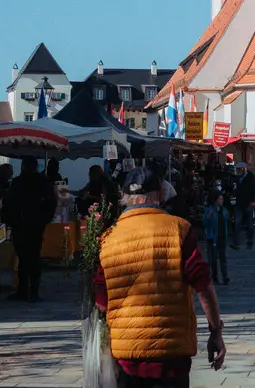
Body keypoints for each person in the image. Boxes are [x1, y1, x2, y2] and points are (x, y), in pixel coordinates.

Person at [94, 166, 227, 387]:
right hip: (172, 356)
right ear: (159, 194)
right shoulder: (179, 229)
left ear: (124, 197)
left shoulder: (108, 238)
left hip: (128, 355)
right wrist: (215, 333)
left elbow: (101, 303)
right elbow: (203, 287)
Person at [3, 157, 56, 301]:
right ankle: (30, 291)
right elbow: (51, 202)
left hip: (25, 224)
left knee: (26, 258)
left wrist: (10, 220)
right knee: (30, 257)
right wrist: (45, 219)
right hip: (32, 224)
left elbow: (9, 203)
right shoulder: (39, 182)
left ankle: (27, 290)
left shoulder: (20, 182)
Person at [202, 189, 232, 286]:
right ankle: (214, 276)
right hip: (213, 237)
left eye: (222, 199)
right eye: (220, 199)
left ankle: (225, 276)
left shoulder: (224, 210)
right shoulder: (210, 210)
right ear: (215, 200)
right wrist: (209, 217)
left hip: (222, 236)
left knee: (223, 257)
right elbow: (205, 223)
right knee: (213, 259)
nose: (221, 201)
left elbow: (227, 220)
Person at [233, 165, 255, 249]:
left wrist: (254, 201)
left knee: (250, 224)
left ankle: (249, 239)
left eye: (238, 170)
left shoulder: (250, 177)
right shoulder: (237, 177)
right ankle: (236, 242)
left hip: (248, 203)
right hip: (240, 203)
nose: (237, 171)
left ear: (243, 169)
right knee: (237, 222)